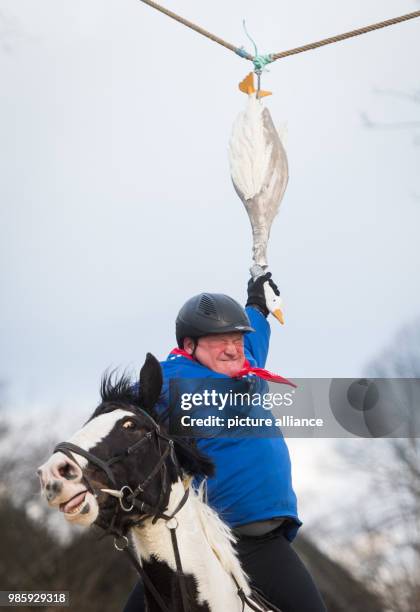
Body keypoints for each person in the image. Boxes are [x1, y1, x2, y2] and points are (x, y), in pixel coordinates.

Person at [124, 273, 326, 612]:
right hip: (206, 540)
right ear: (189, 346)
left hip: (264, 542)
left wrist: (258, 301)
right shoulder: (166, 380)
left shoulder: (243, 362)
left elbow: (256, 332)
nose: (233, 348)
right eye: (220, 340)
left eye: (236, 338)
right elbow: (118, 418)